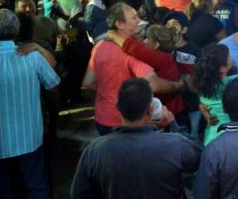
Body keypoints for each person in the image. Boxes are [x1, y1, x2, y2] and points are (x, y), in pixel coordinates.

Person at [70, 78, 202, 199]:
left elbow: (79, 194)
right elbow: (201, 155)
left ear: (118, 108)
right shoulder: (175, 144)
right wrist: (173, 125)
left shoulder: (95, 150)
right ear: (150, 110)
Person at [0, 9, 60, 199]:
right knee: (36, 187)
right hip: (28, 138)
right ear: (16, 32)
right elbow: (54, 85)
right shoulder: (31, 56)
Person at [82, 2, 184, 135]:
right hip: (127, 123)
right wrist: (178, 85)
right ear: (119, 24)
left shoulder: (99, 45)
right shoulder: (132, 52)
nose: (139, 20)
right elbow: (153, 85)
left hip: (102, 119)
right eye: (134, 18)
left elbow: (87, 83)